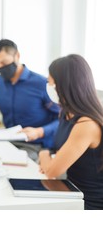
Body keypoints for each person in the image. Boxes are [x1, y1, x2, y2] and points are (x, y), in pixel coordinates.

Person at [0, 39, 60, 159]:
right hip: (8, 141)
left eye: (4, 62)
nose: (0, 67)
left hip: (36, 145)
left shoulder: (42, 84)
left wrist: (40, 131)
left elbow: (63, 119)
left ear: (17, 56)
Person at [39, 54, 103, 210]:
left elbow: (52, 171)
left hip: (88, 204)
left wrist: (43, 155)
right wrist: (49, 157)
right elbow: (56, 153)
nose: (49, 87)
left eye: (51, 83)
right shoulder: (67, 113)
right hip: (71, 192)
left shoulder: (86, 125)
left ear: (65, 86)